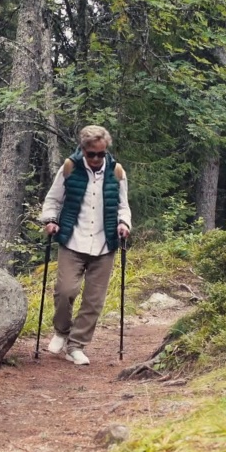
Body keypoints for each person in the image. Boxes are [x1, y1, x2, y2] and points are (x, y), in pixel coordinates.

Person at [39, 125, 132, 365]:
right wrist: (50, 220)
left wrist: (124, 223)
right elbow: (53, 199)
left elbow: (123, 206)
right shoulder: (69, 168)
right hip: (73, 239)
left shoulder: (117, 172)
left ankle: (76, 346)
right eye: (92, 154)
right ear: (83, 150)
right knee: (65, 291)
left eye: (101, 154)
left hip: (105, 242)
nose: (96, 159)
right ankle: (61, 331)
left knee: (94, 300)